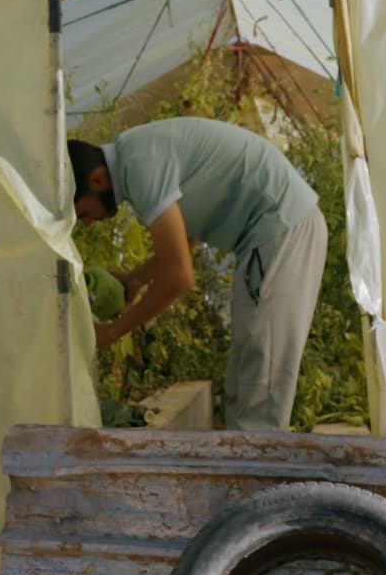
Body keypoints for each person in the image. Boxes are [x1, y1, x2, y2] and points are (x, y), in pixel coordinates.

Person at [69, 117, 326, 432]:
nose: (87, 223)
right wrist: (135, 278)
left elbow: (180, 276)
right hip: (269, 235)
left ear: (96, 180)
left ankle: (255, 477)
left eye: (83, 213)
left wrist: (110, 332)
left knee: (264, 376)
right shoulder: (134, 156)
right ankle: (241, 469)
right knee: (246, 373)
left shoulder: (139, 166)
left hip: (281, 226)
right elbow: (185, 239)